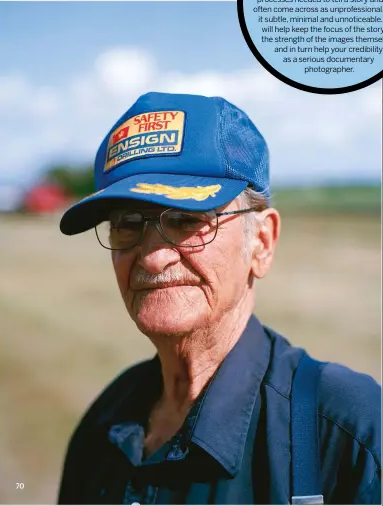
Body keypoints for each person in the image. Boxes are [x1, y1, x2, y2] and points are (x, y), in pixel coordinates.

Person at [58, 92, 381, 505]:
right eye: (127, 223)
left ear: (261, 243)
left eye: (186, 220)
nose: (154, 258)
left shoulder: (347, 431)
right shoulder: (107, 423)